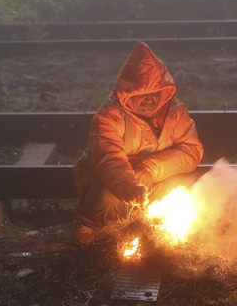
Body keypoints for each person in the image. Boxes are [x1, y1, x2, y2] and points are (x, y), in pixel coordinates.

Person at [70, 41, 203, 246]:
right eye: (141, 95)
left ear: (164, 91)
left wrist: (150, 170)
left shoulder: (176, 112)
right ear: (127, 94)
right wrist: (130, 187)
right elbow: (108, 159)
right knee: (105, 195)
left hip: (157, 175)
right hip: (118, 179)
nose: (149, 100)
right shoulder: (109, 116)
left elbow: (190, 151)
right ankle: (89, 227)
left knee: (187, 184)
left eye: (155, 93)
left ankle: (159, 227)